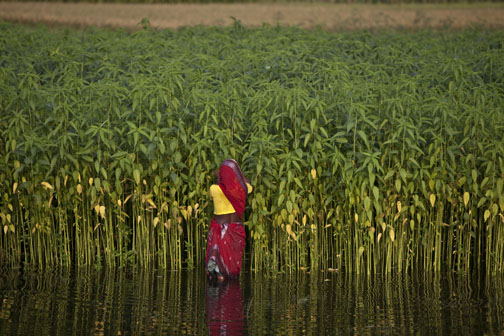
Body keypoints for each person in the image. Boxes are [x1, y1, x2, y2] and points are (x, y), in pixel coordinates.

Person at [206, 159, 253, 282]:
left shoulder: (214, 189)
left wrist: (218, 179)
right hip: (236, 230)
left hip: (219, 233)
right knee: (232, 269)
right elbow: (248, 183)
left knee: (216, 268)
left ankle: (217, 295)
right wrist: (240, 175)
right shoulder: (243, 189)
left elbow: (219, 189)